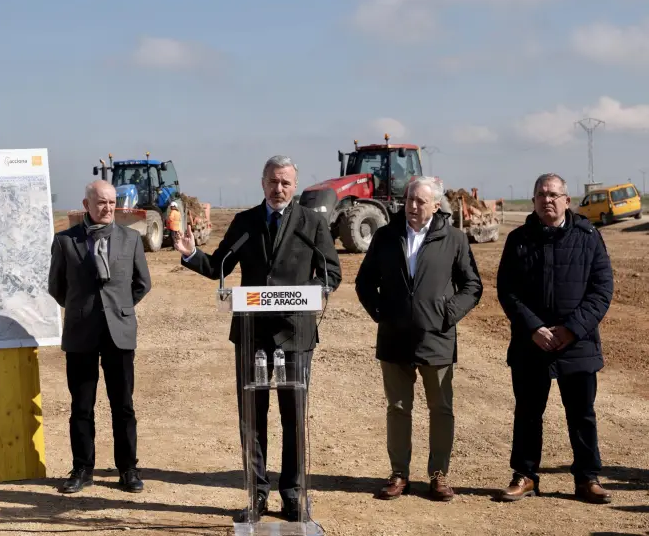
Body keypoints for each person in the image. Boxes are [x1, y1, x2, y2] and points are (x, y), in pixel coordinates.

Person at [173, 155, 341, 522]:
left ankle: (294, 496)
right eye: (272, 181)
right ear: (262, 183)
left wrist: (313, 292)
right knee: (253, 418)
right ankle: (257, 495)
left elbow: (331, 271)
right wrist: (190, 256)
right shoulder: (245, 222)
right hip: (252, 335)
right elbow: (220, 265)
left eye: (285, 182)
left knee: (294, 417)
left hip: (295, 335)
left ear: (294, 185)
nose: (278, 188)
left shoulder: (312, 223)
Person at [355, 176, 483, 501]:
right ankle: (399, 474)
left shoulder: (454, 239)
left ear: (436, 205)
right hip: (394, 339)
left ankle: (439, 474)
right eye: (410, 199)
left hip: (436, 339)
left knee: (441, 408)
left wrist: (447, 314)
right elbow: (364, 283)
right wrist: (382, 313)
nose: (412, 206)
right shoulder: (386, 236)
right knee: (397, 408)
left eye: (420, 201)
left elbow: (472, 286)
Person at [495, 173, 613, 504]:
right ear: (533, 201)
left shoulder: (589, 237)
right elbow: (507, 290)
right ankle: (525, 475)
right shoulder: (518, 239)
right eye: (541, 195)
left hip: (578, 343)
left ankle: (587, 478)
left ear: (567, 200)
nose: (547, 199)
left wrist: (572, 328)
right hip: (531, 344)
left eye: (553, 194)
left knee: (582, 413)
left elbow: (602, 289)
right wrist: (533, 328)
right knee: (528, 413)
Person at [48, 179, 153, 494]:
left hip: (119, 334)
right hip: (81, 333)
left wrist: (118, 309)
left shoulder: (131, 239)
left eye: (112, 202)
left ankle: (128, 469)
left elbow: (141, 283)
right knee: (82, 406)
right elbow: (56, 287)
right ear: (86, 206)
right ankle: (82, 469)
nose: (107, 208)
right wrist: (83, 309)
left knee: (123, 405)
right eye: (101, 203)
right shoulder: (65, 241)